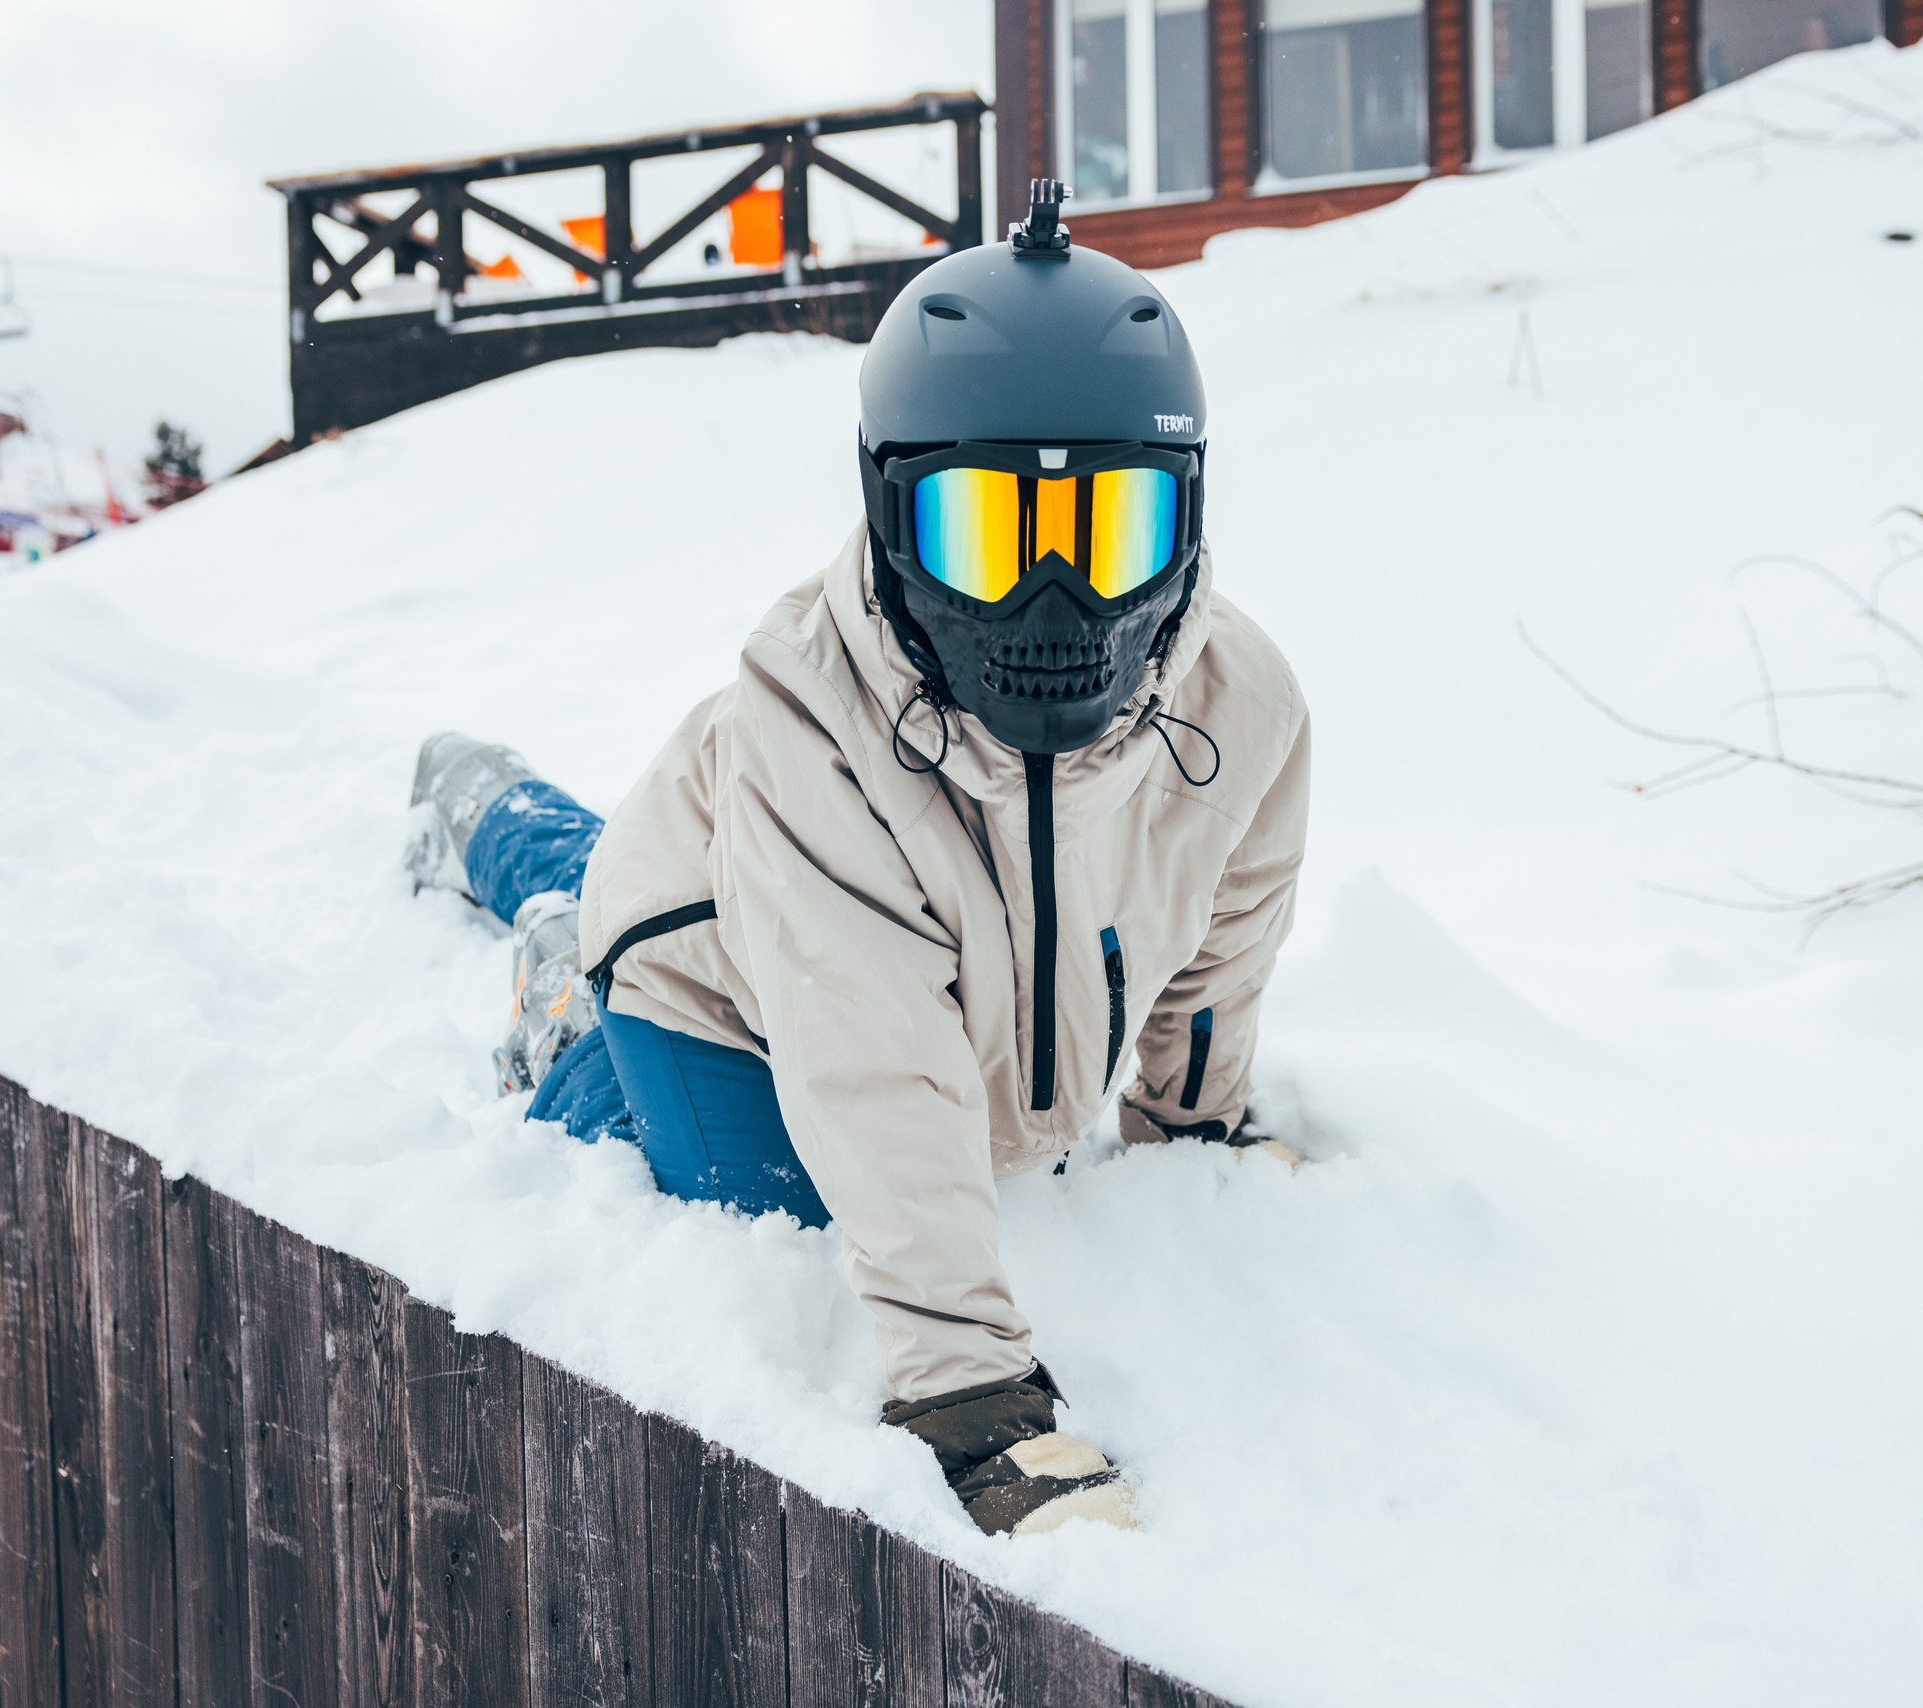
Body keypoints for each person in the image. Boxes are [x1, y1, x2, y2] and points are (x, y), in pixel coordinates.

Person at [405, 184, 1310, 1537]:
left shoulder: (1241, 705)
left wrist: (1195, 1119)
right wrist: (974, 1400)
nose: (1053, 606)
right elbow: (875, 1070)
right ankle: (557, 971)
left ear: (1185, 523)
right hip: (727, 1002)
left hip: (846, 944)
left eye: (1111, 533)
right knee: (758, 1199)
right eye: (984, 538)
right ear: (893, 520)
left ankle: (561, 868)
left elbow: (1227, 936)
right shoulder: (811, 730)